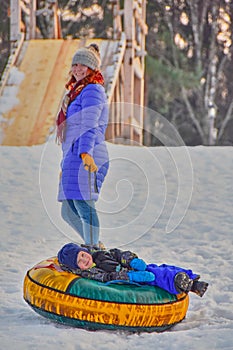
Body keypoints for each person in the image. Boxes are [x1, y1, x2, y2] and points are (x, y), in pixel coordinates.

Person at [56, 44, 109, 248]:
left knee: (84, 204)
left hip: (88, 153)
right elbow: (71, 132)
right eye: (75, 64)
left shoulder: (93, 90)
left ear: (92, 69)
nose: (78, 69)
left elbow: (90, 123)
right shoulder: (75, 92)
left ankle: (92, 247)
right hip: (73, 154)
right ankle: (94, 244)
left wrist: (86, 153)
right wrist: (65, 163)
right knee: (67, 211)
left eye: (83, 65)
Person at [57, 243, 209, 297]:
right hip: (128, 280)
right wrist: (131, 276)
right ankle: (183, 284)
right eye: (80, 262)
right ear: (77, 267)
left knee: (158, 268)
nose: (85, 260)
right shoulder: (90, 274)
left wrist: (131, 260)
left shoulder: (99, 254)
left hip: (132, 269)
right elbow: (109, 277)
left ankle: (190, 278)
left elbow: (118, 254)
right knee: (155, 277)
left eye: (83, 255)